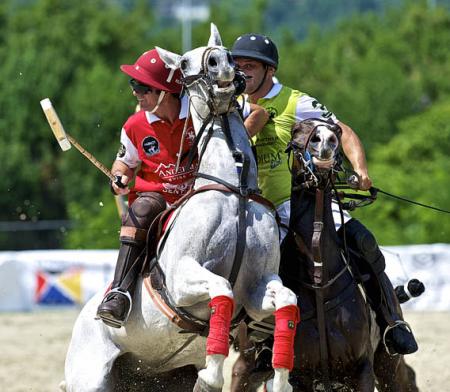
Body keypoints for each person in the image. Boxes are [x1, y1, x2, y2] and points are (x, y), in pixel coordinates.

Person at [231, 33, 417, 355]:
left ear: (269, 71)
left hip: (298, 204)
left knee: (361, 241)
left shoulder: (294, 101)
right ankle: (245, 337)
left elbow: (342, 131)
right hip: (248, 210)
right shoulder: (230, 105)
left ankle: (390, 322)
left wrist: (360, 170)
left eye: (250, 65)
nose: (242, 71)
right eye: (239, 65)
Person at [96, 49, 197, 328]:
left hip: (198, 198)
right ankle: (119, 294)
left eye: (142, 87)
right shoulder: (135, 125)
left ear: (165, 91)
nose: (135, 93)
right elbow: (123, 163)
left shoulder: (199, 115)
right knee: (139, 209)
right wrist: (119, 178)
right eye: (134, 86)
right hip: (157, 199)